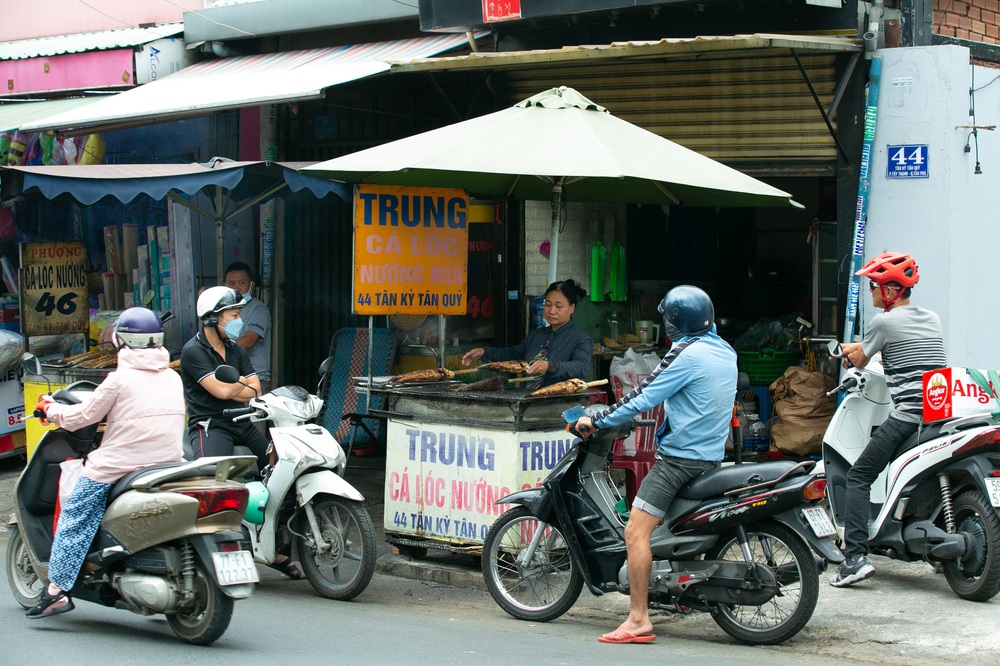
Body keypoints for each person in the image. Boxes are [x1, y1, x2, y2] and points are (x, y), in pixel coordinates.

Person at [574, 285, 737, 644]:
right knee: (669, 529)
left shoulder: (685, 354)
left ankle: (637, 620)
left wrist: (598, 420)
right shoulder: (724, 350)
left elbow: (644, 394)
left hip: (680, 461)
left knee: (635, 531)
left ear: (674, 323)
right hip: (711, 456)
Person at [27, 308, 185, 618]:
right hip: (167, 462)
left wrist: (51, 409)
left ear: (121, 340)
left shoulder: (119, 378)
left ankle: (57, 589)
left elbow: (80, 418)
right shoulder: (172, 377)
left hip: (120, 465)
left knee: (76, 515)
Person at [830, 252, 946, 587]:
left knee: (858, 476)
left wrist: (846, 353)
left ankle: (854, 558)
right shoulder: (932, 318)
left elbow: (860, 361)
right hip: (939, 415)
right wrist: (858, 346)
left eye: (873, 287)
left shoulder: (882, 322)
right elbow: (897, 346)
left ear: (890, 291)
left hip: (907, 417)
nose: (871, 293)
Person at [179, 286, 303, 580]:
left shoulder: (234, 349)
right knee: (216, 484)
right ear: (212, 318)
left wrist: (238, 391)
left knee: (278, 469)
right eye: (233, 314)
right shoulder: (193, 351)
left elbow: (256, 389)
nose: (238, 320)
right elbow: (222, 390)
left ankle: (270, 544)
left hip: (243, 423)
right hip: (209, 425)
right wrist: (240, 389)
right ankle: (209, 551)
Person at [461, 279, 593, 388]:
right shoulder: (537, 335)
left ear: (572, 308)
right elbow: (514, 354)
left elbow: (581, 367)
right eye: (548, 305)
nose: (552, 311)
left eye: (558, 306)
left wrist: (550, 366)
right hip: (528, 399)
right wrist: (485, 352)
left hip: (558, 404)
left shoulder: (580, 339)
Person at [224, 262, 272, 394]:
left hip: (255, 378)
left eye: (242, 283)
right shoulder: (222, 311)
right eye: (232, 284)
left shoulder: (258, 309)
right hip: (230, 377)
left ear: (251, 285)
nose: (237, 288)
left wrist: (218, 352)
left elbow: (249, 340)